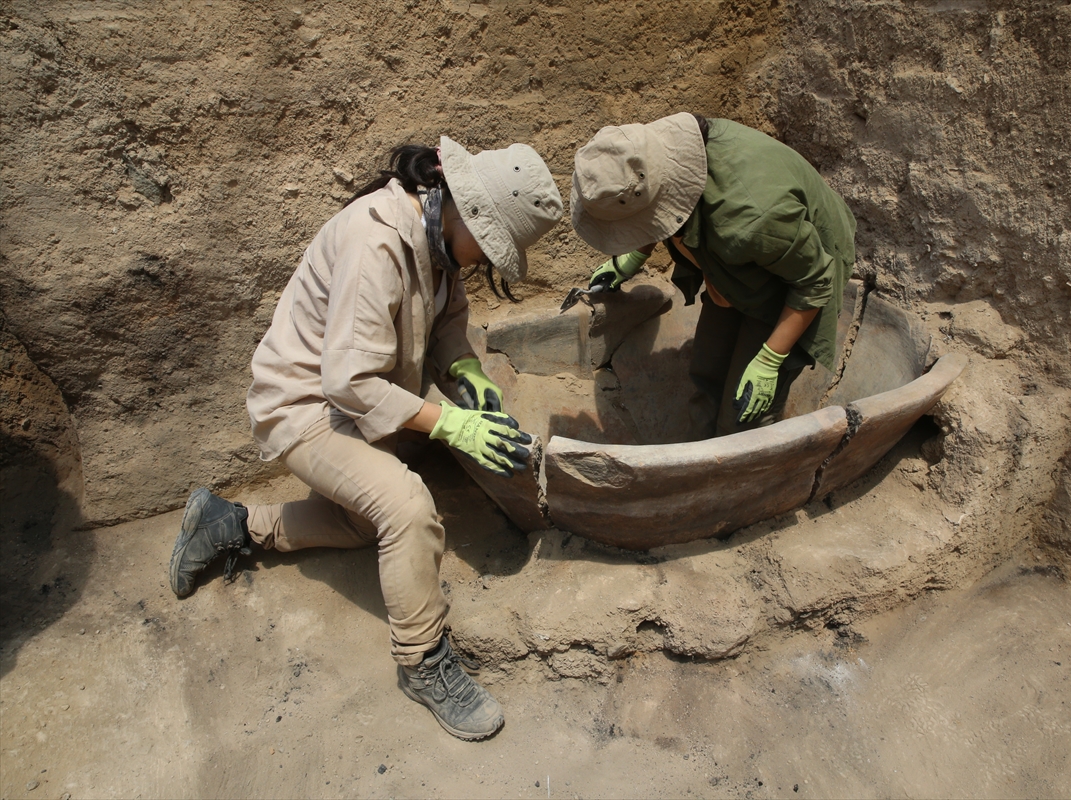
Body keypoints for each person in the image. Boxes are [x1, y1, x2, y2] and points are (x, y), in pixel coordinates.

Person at [167, 136, 563, 740]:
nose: (485, 260)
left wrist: (467, 373)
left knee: (364, 524)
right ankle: (423, 662)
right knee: (406, 508)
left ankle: (232, 525)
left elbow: (446, 323)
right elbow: (348, 380)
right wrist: (449, 423)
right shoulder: (376, 240)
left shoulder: (437, 238)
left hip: (354, 402)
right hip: (304, 406)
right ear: (467, 211)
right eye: (488, 246)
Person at [571, 113, 856, 438]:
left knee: (742, 418)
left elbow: (815, 280)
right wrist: (634, 256)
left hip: (794, 279)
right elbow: (654, 205)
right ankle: (703, 457)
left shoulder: (751, 219)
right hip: (744, 256)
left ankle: (744, 464)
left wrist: (770, 359)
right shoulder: (647, 158)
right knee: (706, 375)